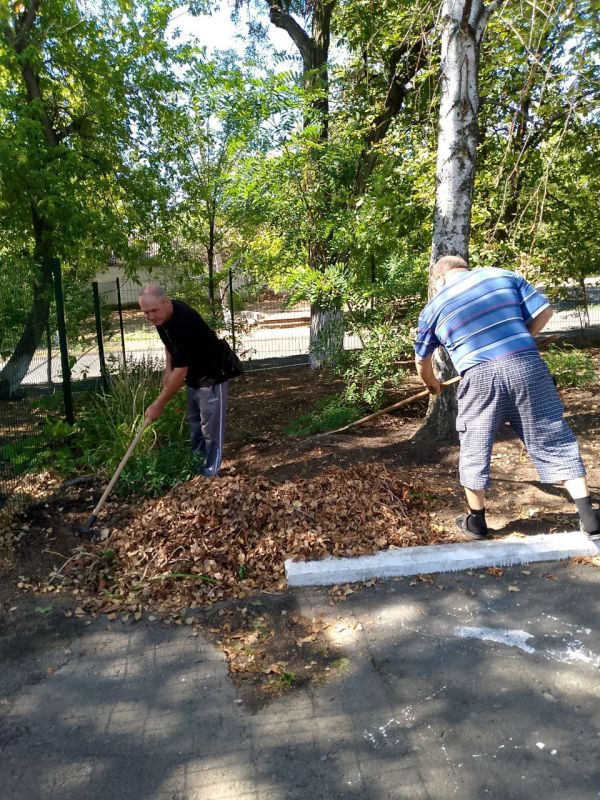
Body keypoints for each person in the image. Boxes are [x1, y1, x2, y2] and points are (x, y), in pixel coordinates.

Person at [414, 255, 600, 541]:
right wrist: (523, 337)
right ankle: (588, 516)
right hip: (527, 366)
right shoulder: (502, 276)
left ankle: (476, 523)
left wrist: (432, 384)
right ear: (465, 267)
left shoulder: (433, 308)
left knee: (475, 442)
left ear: (438, 279)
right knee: (553, 436)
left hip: (478, 378)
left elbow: (421, 359)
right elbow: (545, 310)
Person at [138, 282, 242, 477]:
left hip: (212, 375)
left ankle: (211, 473)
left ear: (166, 302)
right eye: (145, 313)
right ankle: (197, 468)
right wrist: (167, 369)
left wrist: (158, 405)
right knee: (196, 427)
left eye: (153, 311)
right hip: (194, 377)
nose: (150, 316)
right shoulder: (162, 318)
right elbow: (170, 345)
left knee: (211, 430)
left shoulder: (183, 322)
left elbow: (180, 372)